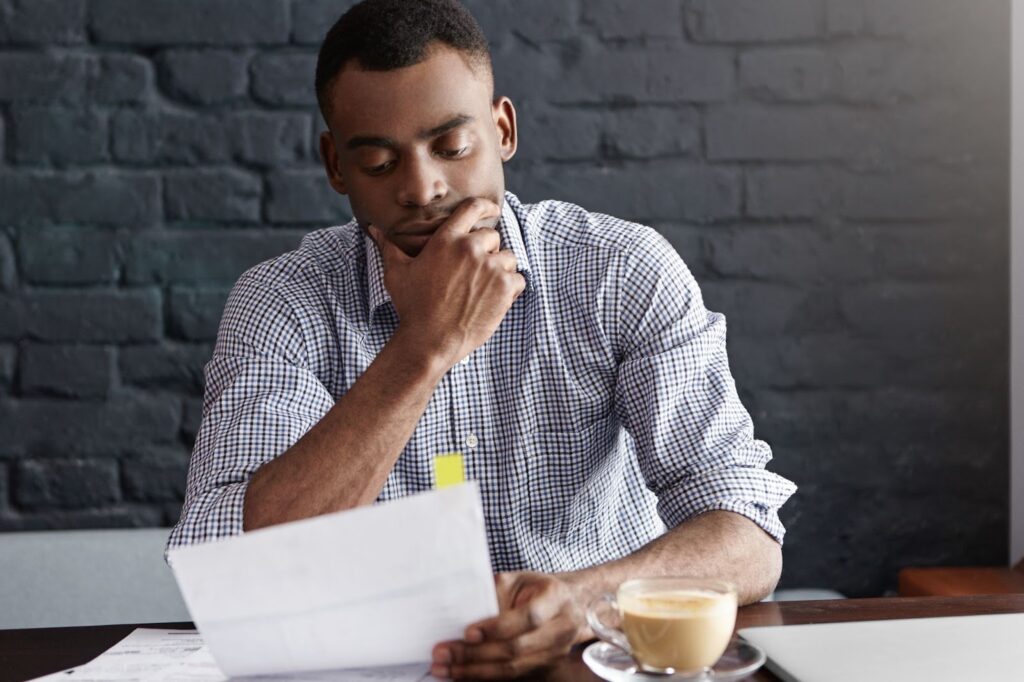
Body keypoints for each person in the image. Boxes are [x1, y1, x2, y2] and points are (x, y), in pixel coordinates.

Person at [168, 0, 796, 678]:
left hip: (589, 661)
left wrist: (582, 601)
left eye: (452, 148)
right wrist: (425, 347)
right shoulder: (280, 302)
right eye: (379, 162)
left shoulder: (621, 270)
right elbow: (231, 570)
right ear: (335, 166)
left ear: (502, 130)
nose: (422, 187)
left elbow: (746, 534)